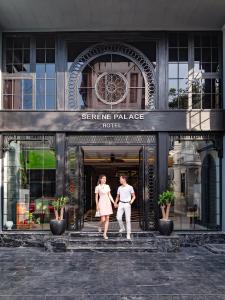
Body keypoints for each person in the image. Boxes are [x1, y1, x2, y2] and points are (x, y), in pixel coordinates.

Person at [114, 175, 136, 240]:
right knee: (118, 217)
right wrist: (115, 202)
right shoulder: (119, 188)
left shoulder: (130, 187)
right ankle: (122, 228)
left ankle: (128, 233)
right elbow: (117, 196)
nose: (119, 180)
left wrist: (131, 202)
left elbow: (134, 196)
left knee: (128, 220)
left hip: (127, 204)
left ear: (124, 179)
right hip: (120, 203)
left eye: (120, 179)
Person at [95, 174, 115, 239]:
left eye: (105, 179)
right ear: (100, 179)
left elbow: (109, 195)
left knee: (107, 218)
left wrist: (114, 202)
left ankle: (105, 233)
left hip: (107, 203)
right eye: (103, 178)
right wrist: (97, 205)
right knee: (103, 219)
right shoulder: (97, 187)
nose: (104, 180)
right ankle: (99, 226)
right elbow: (96, 197)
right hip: (101, 203)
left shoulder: (107, 186)